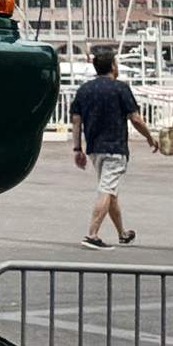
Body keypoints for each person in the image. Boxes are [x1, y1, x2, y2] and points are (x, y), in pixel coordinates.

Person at [70, 46, 149, 249]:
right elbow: (135, 118)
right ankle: (92, 234)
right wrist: (150, 137)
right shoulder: (120, 88)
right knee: (106, 189)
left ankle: (122, 233)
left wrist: (77, 149)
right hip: (115, 147)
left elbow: (76, 121)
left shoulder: (84, 90)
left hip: (95, 148)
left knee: (109, 189)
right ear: (113, 67)